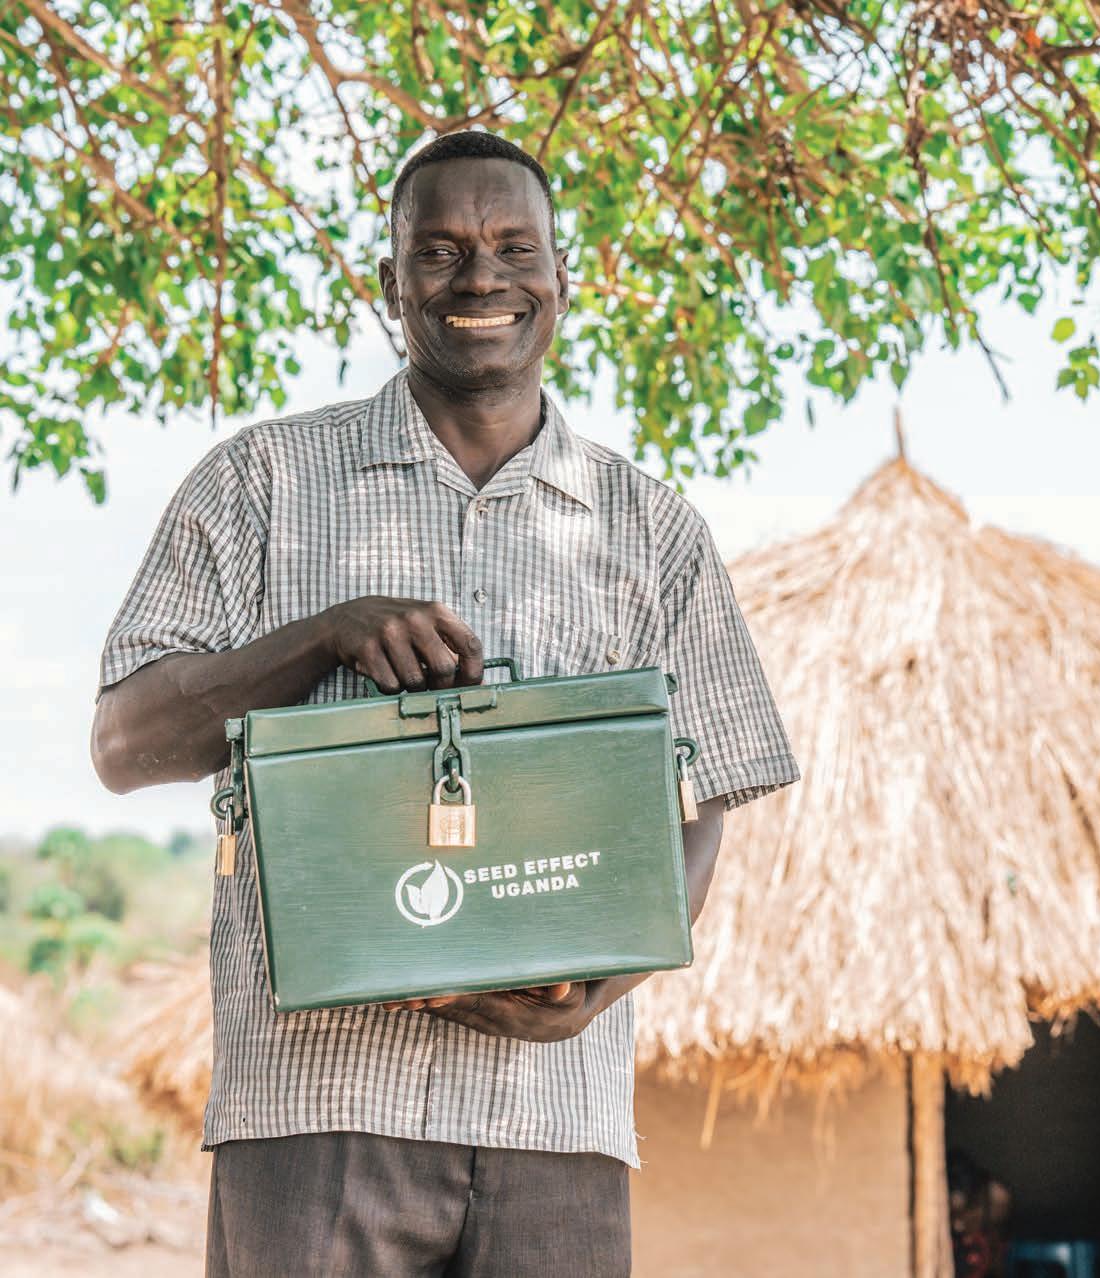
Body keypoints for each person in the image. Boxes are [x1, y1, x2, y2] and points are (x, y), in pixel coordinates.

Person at [90, 129, 798, 1276]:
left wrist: (601, 985)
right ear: (390, 282)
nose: (481, 278)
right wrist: (326, 634)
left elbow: (703, 796)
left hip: (556, 1116)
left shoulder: (652, 531)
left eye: (515, 247)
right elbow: (124, 743)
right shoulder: (260, 483)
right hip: (314, 1105)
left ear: (562, 277)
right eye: (440, 250)